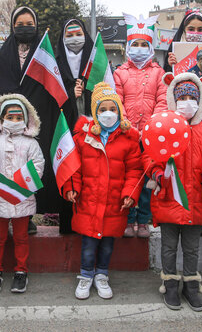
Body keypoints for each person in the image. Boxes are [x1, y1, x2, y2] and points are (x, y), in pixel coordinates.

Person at [147, 72, 202, 312]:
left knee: (191, 248)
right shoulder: (163, 126)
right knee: (168, 246)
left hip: (196, 201)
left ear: (200, 101)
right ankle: (170, 283)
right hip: (169, 198)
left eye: (193, 97)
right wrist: (157, 173)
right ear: (173, 100)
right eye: (183, 97)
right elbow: (150, 156)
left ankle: (191, 284)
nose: (187, 102)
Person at [0, 6, 68, 234]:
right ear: (13, 27)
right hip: (8, 123)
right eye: (20, 25)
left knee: (30, 169)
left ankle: (28, 215)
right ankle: (6, 215)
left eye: (29, 24)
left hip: (35, 123)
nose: (25, 29)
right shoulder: (5, 54)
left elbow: (51, 86)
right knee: (6, 169)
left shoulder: (44, 52)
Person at [63, 82, 143, 300]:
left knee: (107, 244)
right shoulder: (83, 137)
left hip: (114, 203)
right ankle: (86, 275)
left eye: (112, 109)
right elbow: (74, 167)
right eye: (103, 109)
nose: (108, 113)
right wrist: (72, 188)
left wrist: (129, 194)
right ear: (95, 112)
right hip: (89, 201)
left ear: (119, 110)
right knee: (88, 245)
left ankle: (102, 275)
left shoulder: (129, 138)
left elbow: (135, 171)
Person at [0, 93, 45, 294]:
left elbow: (38, 166)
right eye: (10, 117)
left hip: (22, 199)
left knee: (21, 238)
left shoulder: (31, 144)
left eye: (19, 118)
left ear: (26, 119)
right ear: (1, 119)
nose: (15, 121)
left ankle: (21, 272)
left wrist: (20, 186)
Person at [114, 13, 167, 238]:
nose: (138, 48)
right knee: (128, 175)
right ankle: (128, 216)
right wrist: (125, 123)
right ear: (128, 47)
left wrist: (152, 126)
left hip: (150, 135)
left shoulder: (159, 72)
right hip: (127, 133)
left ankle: (144, 218)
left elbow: (162, 100)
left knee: (147, 175)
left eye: (143, 44)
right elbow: (116, 100)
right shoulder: (119, 72)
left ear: (150, 47)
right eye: (134, 44)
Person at [55, 18, 95, 128]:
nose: (75, 39)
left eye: (78, 34)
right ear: (63, 38)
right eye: (69, 36)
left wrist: (86, 88)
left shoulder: (95, 60)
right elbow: (53, 96)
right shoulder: (56, 63)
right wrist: (71, 94)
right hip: (67, 124)